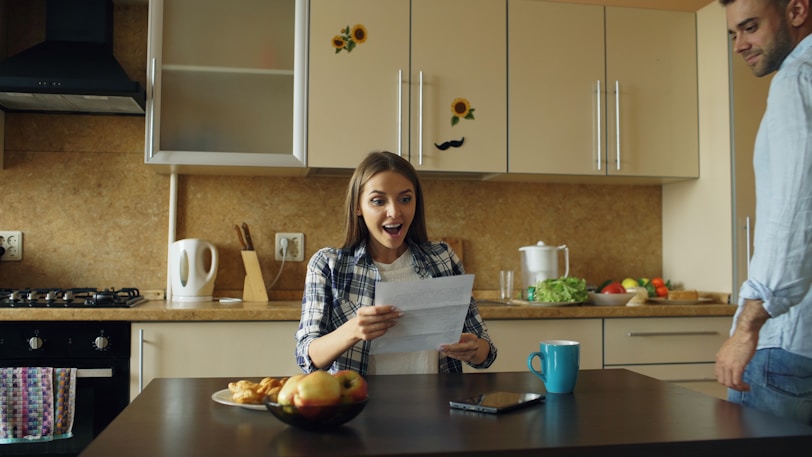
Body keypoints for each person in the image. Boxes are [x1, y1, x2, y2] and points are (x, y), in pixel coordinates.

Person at [295, 151, 497, 375]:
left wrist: (473, 349)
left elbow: (486, 353)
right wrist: (352, 330)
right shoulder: (329, 265)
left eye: (405, 199)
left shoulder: (443, 257)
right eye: (378, 201)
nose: (394, 212)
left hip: (437, 397)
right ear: (358, 206)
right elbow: (306, 356)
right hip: (361, 398)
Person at [715, 0, 812, 425]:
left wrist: (746, 329)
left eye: (750, 27)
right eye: (733, 34)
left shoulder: (797, 77)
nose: (739, 45)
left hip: (791, 346)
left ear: (796, 11)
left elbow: (796, 210)